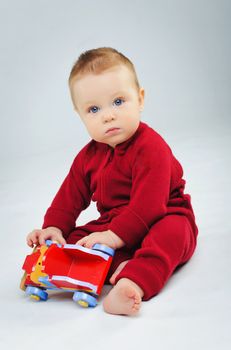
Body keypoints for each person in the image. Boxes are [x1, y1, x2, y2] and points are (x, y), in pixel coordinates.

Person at [26, 47, 198, 316]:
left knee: (170, 235)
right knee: (77, 240)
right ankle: (65, 269)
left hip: (164, 214)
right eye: (94, 109)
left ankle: (133, 282)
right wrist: (54, 228)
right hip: (116, 222)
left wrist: (115, 236)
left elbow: (150, 205)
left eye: (118, 102)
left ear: (140, 99)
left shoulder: (151, 147)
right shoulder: (87, 156)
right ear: (80, 116)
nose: (108, 115)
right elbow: (69, 196)